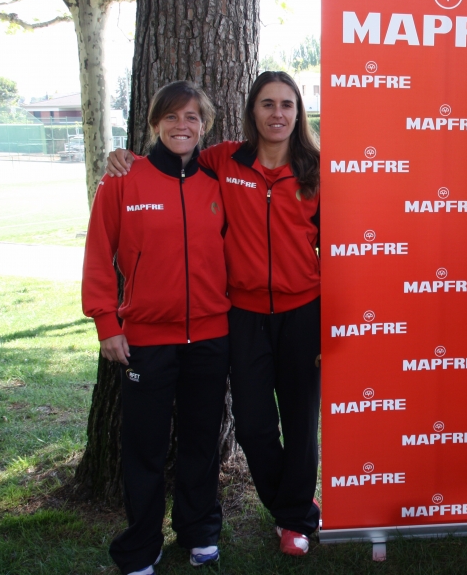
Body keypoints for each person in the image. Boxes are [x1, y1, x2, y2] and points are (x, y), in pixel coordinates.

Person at [107, 71, 322, 557]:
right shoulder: (224, 160)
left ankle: (295, 520)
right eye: (267, 104)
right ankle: (286, 502)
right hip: (241, 316)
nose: (277, 114)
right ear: (252, 112)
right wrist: (123, 159)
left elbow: (337, 250)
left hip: (302, 313)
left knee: (302, 421)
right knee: (251, 425)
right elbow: (169, 163)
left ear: (298, 113)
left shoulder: (315, 170)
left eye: (287, 105)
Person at [84, 81, 230, 574]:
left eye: (191, 117)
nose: (181, 126)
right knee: (144, 449)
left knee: (199, 442)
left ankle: (199, 530)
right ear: (155, 124)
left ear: (205, 125)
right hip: (146, 339)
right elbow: (98, 255)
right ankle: (141, 546)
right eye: (171, 117)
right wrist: (107, 323)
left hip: (210, 338)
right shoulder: (125, 179)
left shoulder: (218, 182)